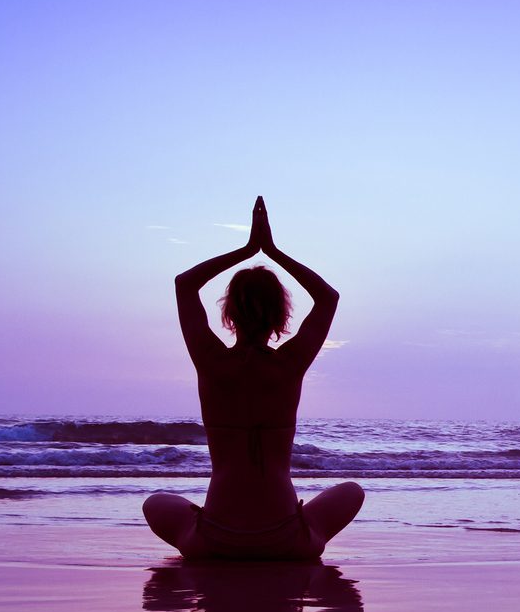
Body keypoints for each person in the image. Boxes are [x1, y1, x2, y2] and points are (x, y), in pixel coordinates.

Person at [142, 197, 364, 560]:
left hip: (213, 542)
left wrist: (246, 250)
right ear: (281, 316)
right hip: (287, 542)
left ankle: (210, 529)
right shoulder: (289, 364)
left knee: (155, 503)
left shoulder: (211, 361)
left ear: (228, 314)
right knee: (352, 491)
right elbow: (327, 297)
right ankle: (296, 529)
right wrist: (272, 252)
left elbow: (185, 284)